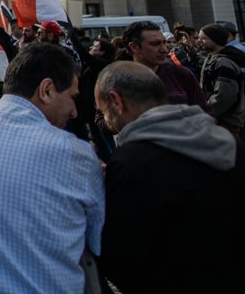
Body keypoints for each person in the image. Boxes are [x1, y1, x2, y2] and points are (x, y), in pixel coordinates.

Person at [0, 44, 103, 294]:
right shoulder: (74, 152)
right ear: (46, 90)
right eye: (72, 97)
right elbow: (96, 241)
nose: (75, 111)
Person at [95, 61, 244, 291]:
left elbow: (123, 257)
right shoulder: (227, 140)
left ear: (116, 101)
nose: (107, 121)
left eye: (103, 111)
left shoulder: (130, 162)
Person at [122, 21, 208, 109]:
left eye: (164, 43)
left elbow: (204, 113)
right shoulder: (120, 80)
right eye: (155, 44)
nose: (164, 50)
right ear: (134, 47)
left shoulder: (182, 75)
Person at [196, 23, 245, 134]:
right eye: (199, 38)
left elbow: (224, 96)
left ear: (216, 39)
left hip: (225, 122)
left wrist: (205, 112)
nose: (199, 41)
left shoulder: (224, 62)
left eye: (203, 38)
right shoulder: (211, 58)